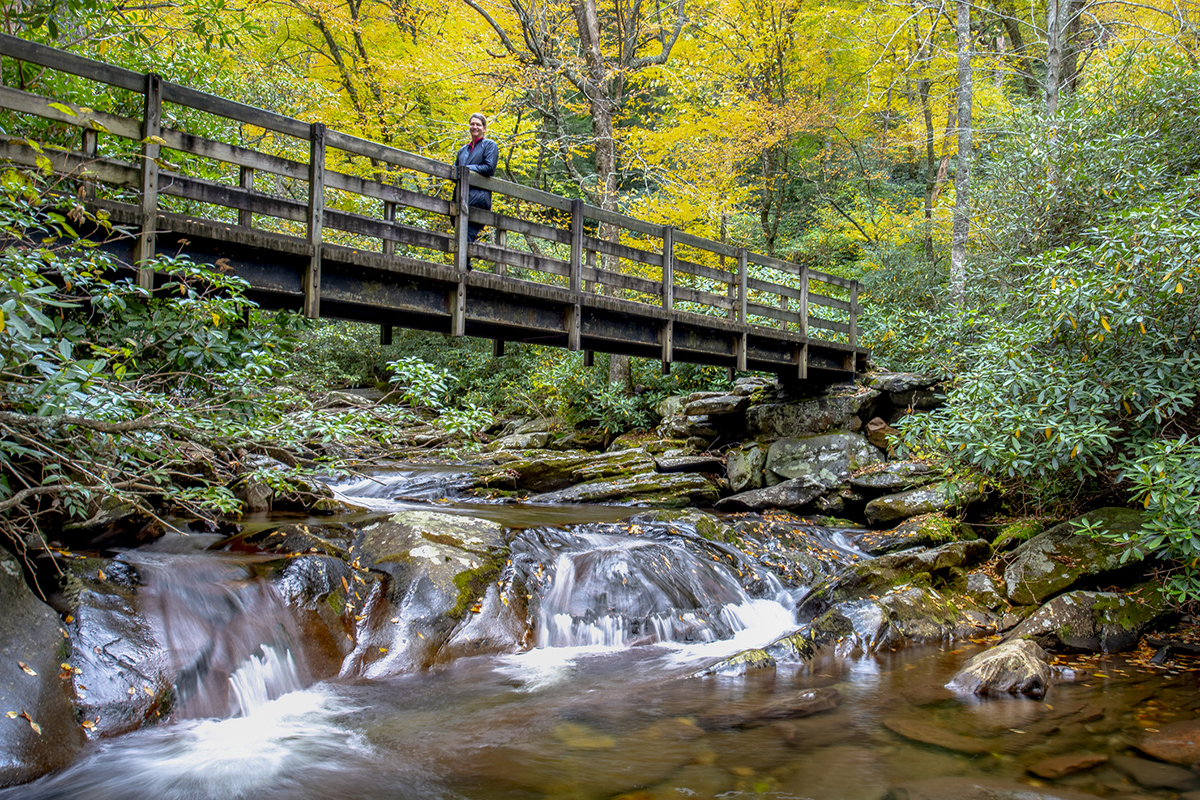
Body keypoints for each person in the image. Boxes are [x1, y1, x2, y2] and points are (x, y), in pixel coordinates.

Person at [453, 112, 499, 245]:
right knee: (461, 235)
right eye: (472, 124)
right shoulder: (463, 150)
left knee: (467, 235)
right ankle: (466, 259)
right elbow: (455, 172)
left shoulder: (489, 145)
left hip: (478, 199)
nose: (475, 127)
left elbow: (489, 168)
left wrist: (465, 169)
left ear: (484, 128)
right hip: (461, 197)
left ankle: (465, 259)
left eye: (478, 124)